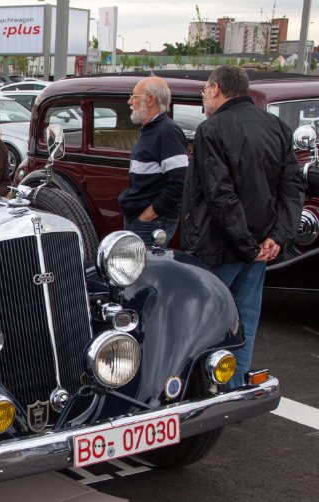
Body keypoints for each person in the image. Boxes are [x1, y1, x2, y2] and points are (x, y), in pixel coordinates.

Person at [181, 65, 304, 389]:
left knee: (206, 321)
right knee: (245, 321)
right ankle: (235, 387)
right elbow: (292, 187)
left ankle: (203, 389)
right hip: (260, 247)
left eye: (205, 90)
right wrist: (277, 237)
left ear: (217, 88)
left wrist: (248, 243)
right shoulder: (277, 127)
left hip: (220, 246)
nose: (203, 96)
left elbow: (220, 194)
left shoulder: (212, 130)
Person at [118, 76, 188, 246]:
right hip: (140, 219)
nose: (130, 102)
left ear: (150, 100)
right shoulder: (151, 130)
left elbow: (180, 182)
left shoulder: (167, 132)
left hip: (151, 223)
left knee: (143, 270)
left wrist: (148, 215)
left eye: (134, 96)